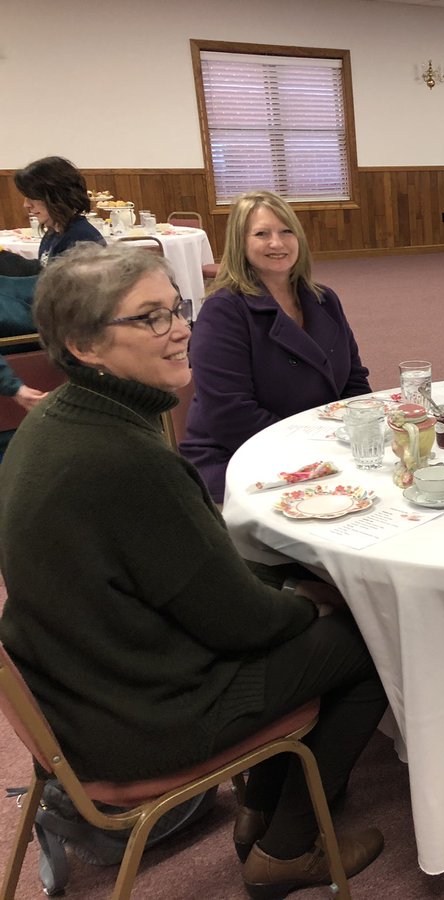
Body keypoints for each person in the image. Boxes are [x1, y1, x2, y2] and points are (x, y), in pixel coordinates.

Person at [0, 243, 388, 897]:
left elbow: (191, 582)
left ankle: (260, 813)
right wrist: (311, 603)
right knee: (371, 637)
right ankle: (286, 849)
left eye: (175, 308)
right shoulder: (126, 457)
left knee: (282, 592)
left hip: (80, 687)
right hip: (141, 715)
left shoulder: (54, 424)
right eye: (150, 317)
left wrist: (285, 595)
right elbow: (241, 623)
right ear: (83, 344)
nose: (181, 327)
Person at [182, 190, 371, 502]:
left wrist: (361, 433)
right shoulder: (225, 310)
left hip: (321, 448)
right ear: (239, 243)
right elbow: (230, 414)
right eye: (261, 234)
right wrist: (314, 450)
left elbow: (354, 380)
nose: (277, 243)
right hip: (242, 455)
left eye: (287, 231)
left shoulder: (324, 299)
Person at [1, 157, 107, 450]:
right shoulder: (56, 233)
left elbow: (72, 302)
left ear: (54, 197)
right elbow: (46, 274)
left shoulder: (82, 240)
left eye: (32, 198)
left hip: (61, 332)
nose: (26, 206)